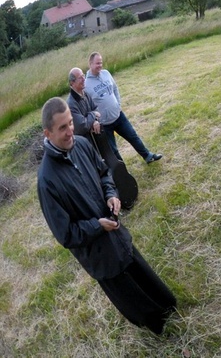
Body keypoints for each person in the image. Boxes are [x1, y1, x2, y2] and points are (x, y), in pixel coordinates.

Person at [37, 97, 176, 334]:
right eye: (62, 127)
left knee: (140, 271)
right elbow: (66, 235)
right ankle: (156, 325)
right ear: (47, 133)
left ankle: (167, 305)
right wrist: (97, 226)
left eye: (71, 123)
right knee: (128, 292)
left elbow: (104, 174)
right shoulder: (47, 180)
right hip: (98, 252)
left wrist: (111, 194)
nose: (70, 131)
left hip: (116, 232)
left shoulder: (81, 144)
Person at [85, 52, 163, 164]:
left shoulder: (106, 73)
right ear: (90, 63)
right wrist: (95, 120)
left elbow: (115, 89)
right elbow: (87, 107)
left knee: (133, 136)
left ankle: (148, 156)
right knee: (113, 151)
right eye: (97, 63)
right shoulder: (86, 84)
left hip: (118, 116)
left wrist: (118, 105)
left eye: (101, 62)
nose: (100, 65)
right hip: (104, 124)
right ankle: (123, 173)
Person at [67, 67, 102, 147]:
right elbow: (82, 126)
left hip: (97, 139)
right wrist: (93, 114)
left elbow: (96, 109)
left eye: (83, 76)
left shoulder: (85, 93)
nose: (83, 79)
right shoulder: (71, 104)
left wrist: (95, 121)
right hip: (85, 144)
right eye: (80, 78)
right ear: (72, 82)